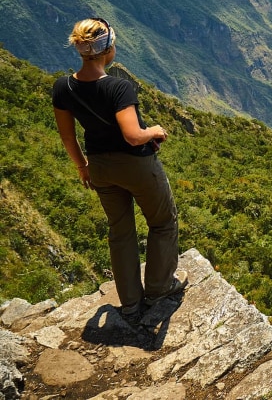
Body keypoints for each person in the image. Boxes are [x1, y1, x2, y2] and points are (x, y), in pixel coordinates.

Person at [51, 17, 187, 323]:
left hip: (99, 167)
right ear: (107, 49)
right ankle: (158, 289)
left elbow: (67, 136)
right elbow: (132, 135)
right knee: (163, 222)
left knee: (120, 232)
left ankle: (129, 304)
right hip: (136, 166)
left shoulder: (63, 87)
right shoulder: (118, 87)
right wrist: (154, 130)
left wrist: (82, 166)